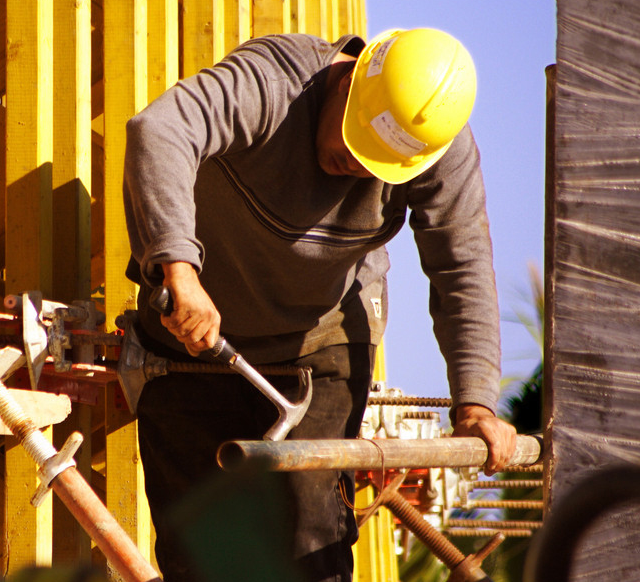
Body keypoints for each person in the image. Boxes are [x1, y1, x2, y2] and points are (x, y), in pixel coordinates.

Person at [122, 29, 518, 582]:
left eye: (375, 163)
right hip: (191, 342)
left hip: (322, 349)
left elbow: (461, 266)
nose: (354, 166)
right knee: (199, 554)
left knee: (313, 546)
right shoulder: (274, 82)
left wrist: (475, 405)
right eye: (354, 142)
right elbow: (160, 129)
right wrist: (180, 272)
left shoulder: (436, 147)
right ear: (350, 79)